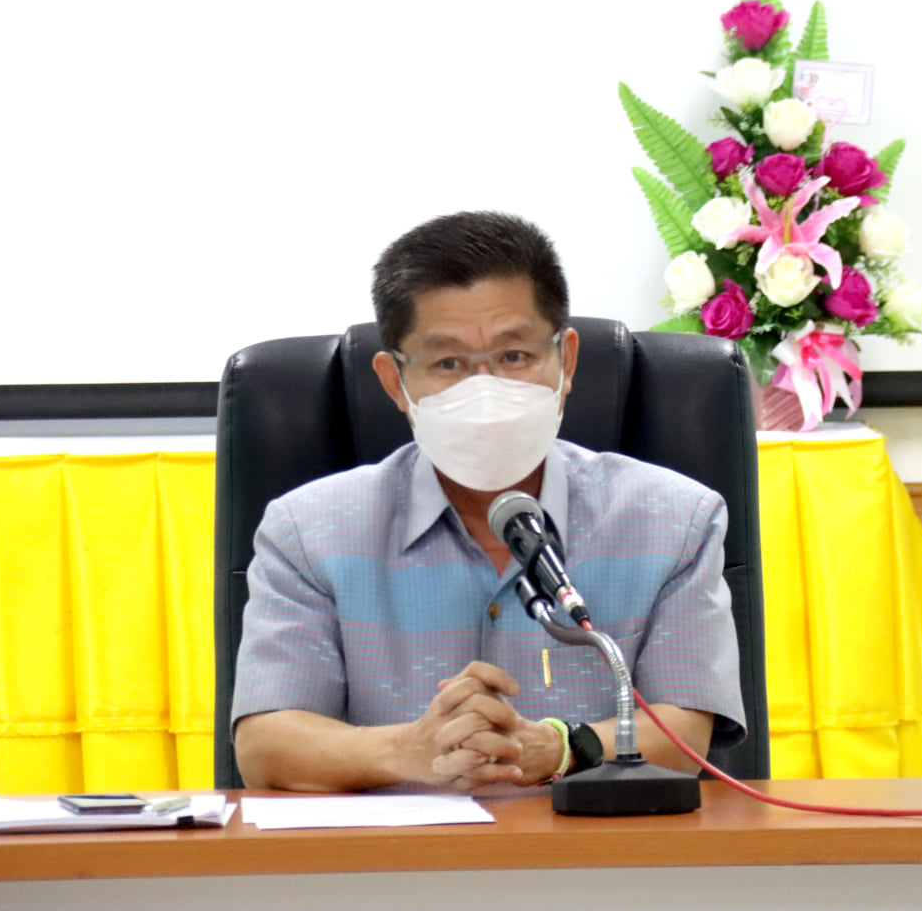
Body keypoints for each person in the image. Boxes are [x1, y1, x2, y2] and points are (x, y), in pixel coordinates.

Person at [231, 211, 744, 792]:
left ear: (566, 360)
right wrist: (409, 750)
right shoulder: (308, 529)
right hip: (395, 849)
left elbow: (683, 735)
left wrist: (557, 747)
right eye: (448, 363)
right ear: (394, 381)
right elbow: (266, 746)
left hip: (595, 846)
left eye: (514, 357)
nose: (486, 389)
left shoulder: (673, 519)